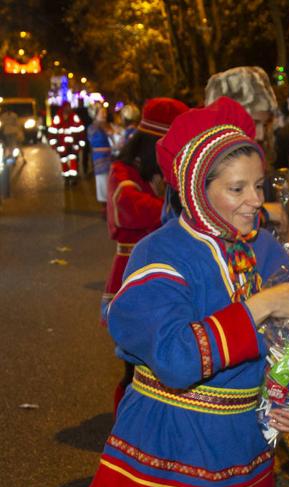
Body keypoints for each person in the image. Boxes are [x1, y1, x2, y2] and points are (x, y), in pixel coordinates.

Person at [86, 97, 289, 487]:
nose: (252, 201)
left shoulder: (263, 249)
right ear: (198, 190)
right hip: (168, 444)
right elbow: (173, 358)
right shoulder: (160, 254)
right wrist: (256, 308)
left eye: (258, 186)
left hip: (240, 447)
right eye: (236, 188)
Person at [102, 97, 190, 410]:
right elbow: (127, 208)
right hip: (131, 277)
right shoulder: (123, 171)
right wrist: (174, 210)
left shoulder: (161, 178)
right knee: (135, 367)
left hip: (168, 279)